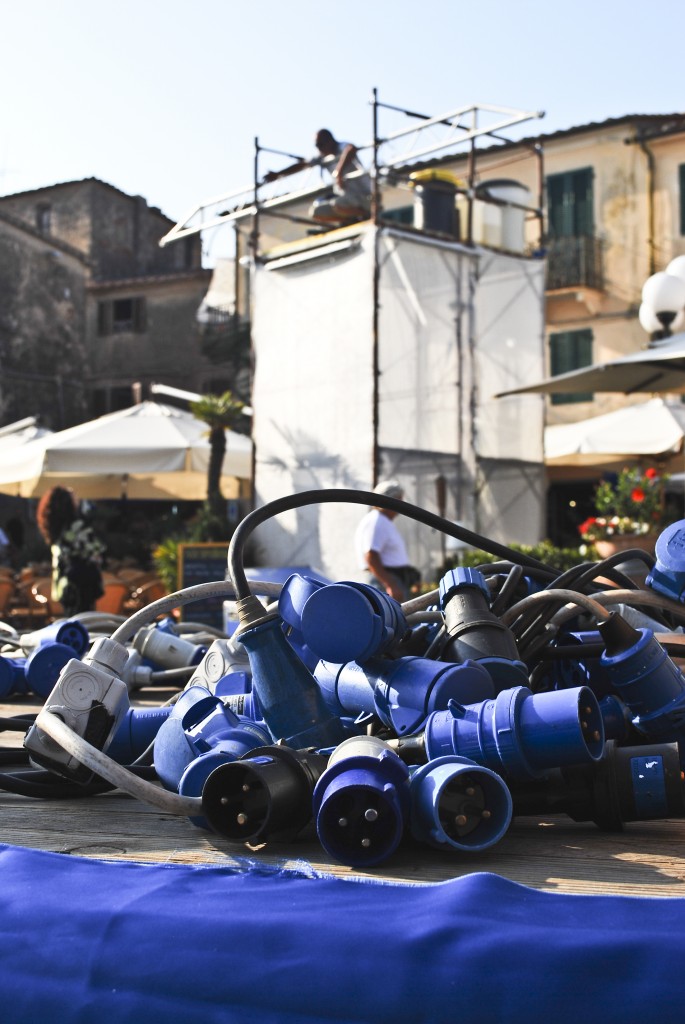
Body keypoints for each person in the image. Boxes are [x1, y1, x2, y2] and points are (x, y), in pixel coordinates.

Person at [263, 128, 371, 224]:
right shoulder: (322, 156)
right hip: (345, 197)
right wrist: (278, 174)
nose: (318, 148)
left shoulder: (342, 146)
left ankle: (367, 215)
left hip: (362, 196)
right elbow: (303, 165)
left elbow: (351, 149)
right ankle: (351, 221)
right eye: (316, 145)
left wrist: (339, 171)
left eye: (320, 144)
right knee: (316, 212)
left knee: (338, 204)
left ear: (329, 141)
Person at [36, 486, 105, 616]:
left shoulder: (57, 530)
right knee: (85, 623)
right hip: (83, 585)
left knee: (72, 622)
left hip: (64, 585)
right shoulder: (78, 527)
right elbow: (96, 550)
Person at [354, 480, 419, 603]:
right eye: (398, 500)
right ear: (389, 501)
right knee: (392, 620)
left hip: (391, 578)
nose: (400, 506)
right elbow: (371, 556)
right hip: (386, 581)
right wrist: (390, 584)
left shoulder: (382, 521)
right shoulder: (377, 521)